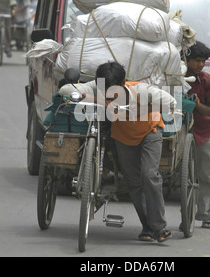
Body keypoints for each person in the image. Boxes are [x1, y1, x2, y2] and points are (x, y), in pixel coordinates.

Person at [59, 61, 176, 243]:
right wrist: (85, 97)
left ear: (123, 83)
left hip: (149, 132)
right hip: (123, 137)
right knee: (134, 182)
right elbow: (66, 90)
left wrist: (148, 107)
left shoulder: (142, 91)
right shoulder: (96, 87)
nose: (110, 95)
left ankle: (159, 227)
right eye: (104, 90)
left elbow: (170, 101)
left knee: (149, 175)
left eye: (114, 91)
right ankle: (147, 226)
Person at [185, 41, 210, 229]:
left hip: (204, 132)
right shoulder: (174, 77)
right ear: (186, 60)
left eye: (203, 61)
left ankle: (206, 214)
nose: (201, 65)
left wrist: (197, 104)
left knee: (207, 174)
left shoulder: (206, 81)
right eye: (197, 60)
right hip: (181, 132)